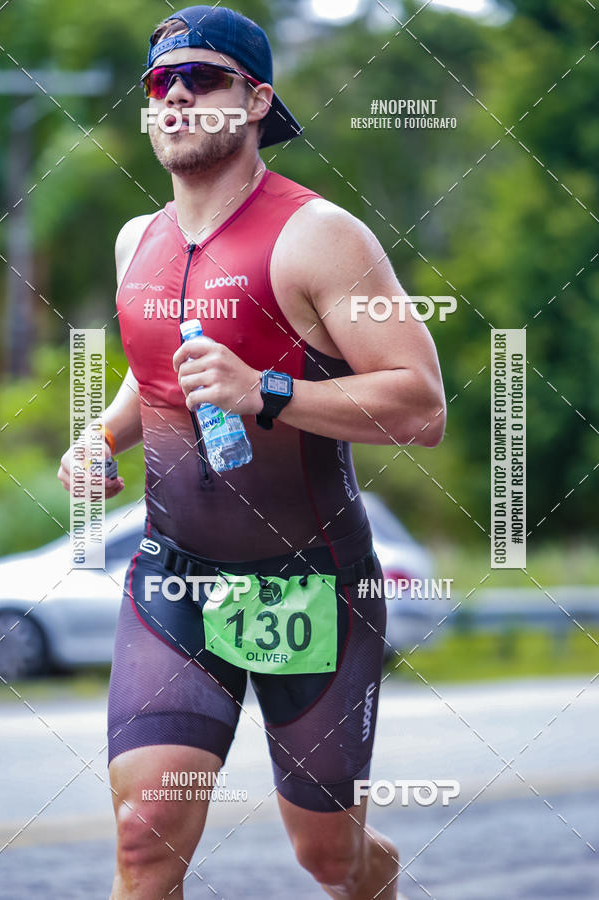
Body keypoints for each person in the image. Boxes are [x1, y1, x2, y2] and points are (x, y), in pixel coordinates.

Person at [58, 5, 445, 898]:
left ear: (256, 98)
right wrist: (103, 433)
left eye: (204, 78)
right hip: (175, 576)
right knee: (144, 836)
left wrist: (265, 391)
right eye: (161, 84)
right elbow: (159, 373)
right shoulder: (137, 242)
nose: (178, 96)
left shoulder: (321, 236)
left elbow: (422, 407)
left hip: (308, 583)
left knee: (328, 857)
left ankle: (375, 878)